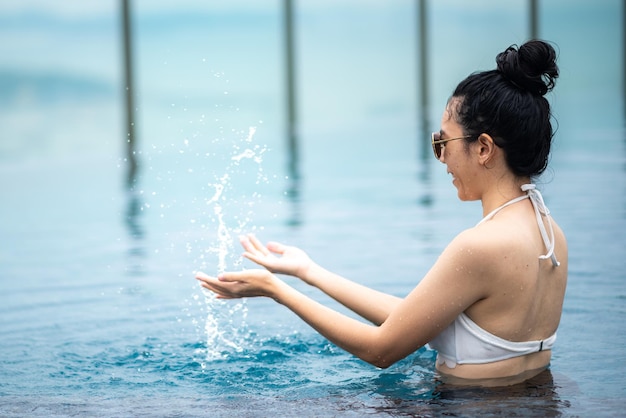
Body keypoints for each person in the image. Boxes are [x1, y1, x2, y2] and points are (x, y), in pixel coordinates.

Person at [196, 39, 568, 385]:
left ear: (484, 148)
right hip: (538, 400)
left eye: (443, 142)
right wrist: (308, 272)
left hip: (465, 407)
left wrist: (277, 291)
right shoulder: (550, 234)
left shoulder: (479, 246)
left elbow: (381, 349)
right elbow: (418, 319)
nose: (442, 159)